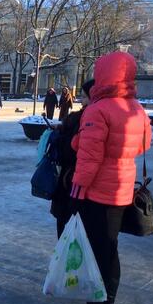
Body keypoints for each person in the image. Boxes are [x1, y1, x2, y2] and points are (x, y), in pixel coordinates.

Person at [69, 51, 151, 304]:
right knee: (110, 249)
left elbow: (90, 158)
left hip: (96, 193)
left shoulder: (98, 109)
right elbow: (143, 146)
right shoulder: (136, 108)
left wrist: (77, 188)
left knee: (95, 253)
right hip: (122, 190)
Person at [50, 79, 95, 237]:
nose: (81, 101)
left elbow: (69, 150)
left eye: (84, 97)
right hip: (97, 188)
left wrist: (60, 136)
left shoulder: (85, 119)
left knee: (67, 225)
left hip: (73, 180)